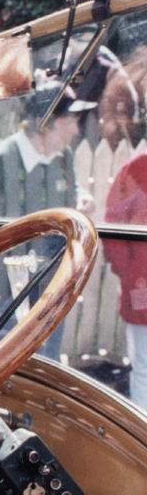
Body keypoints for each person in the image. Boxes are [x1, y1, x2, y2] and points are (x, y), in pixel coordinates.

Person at [0, 74, 96, 360]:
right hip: (9, 286)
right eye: (70, 122)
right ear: (45, 124)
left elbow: (69, 188)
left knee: (45, 362)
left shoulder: (63, 156)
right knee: (3, 364)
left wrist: (80, 196)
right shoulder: (4, 160)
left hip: (52, 281)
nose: (76, 130)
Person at [104, 152, 147, 408]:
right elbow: (113, 227)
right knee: (144, 367)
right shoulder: (135, 170)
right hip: (143, 290)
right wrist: (130, 273)